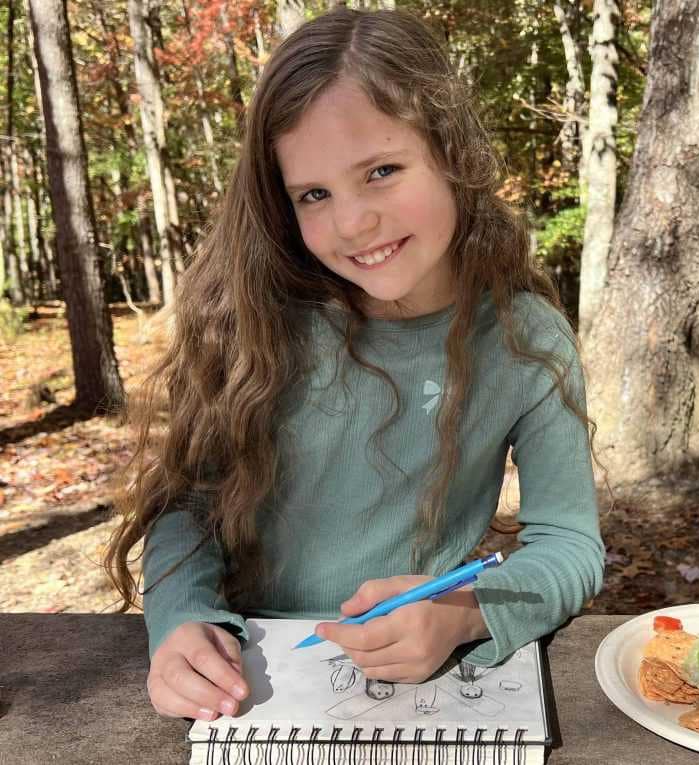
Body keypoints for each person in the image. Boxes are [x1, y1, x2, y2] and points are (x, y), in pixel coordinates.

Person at [104, 7, 604, 725]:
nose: (351, 222)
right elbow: (190, 506)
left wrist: (464, 614)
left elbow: (569, 543)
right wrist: (182, 617)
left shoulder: (527, 340)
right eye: (315, 194)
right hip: (248, 689)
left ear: (452, 154)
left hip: (426, 688)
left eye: (381, 171)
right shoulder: (260, 321)